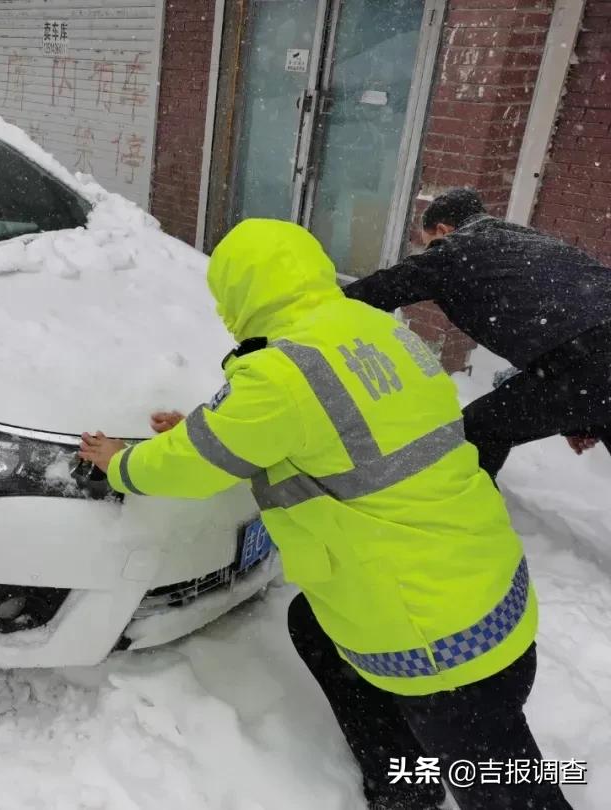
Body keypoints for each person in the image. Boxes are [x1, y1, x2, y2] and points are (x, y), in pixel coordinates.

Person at [79, 219, 571, 810]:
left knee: (513, 793)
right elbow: (329, 430)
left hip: (439, 648)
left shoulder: (280, 372)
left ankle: (414, 786)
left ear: (239, 292)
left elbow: (194, 465)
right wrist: (214, 433)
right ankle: (403, 784)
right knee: (313, 627)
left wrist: (123, 463)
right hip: (486, 589)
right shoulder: (375, 330)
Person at [344, 188, 611, 479]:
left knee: (479, 431)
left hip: (585, 363)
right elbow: (576, 316)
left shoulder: (457, 250)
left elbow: (379, 289)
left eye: (429, 242)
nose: (430, 250)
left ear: (443, 230)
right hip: (588, 361)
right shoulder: (525, 239)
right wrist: (585, 416)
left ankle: (466, 520)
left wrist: (314, 304)